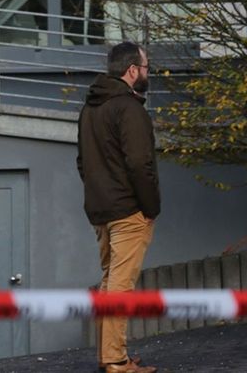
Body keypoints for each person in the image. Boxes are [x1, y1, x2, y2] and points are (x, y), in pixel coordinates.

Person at [77, 42, 160, 373]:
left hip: (99, 210)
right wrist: (150, 207)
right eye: (146, 67)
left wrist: (98, 191)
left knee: (109, 282)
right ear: (132, 71)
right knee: (120, 288)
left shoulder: (90, 109)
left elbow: (83, 161)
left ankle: (109, 354)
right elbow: (140, 164)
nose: (147, 73)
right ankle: (115, 360)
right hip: (128, 211)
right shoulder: (129, 109)